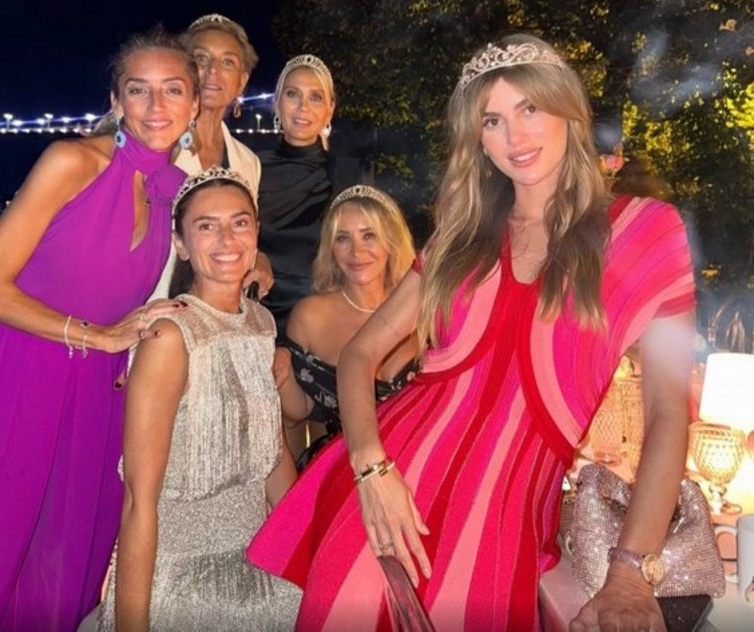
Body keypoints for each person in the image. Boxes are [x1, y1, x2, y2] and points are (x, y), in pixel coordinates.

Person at [247, 36, 697, 632]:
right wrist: (372, 471)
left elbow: (668, 411)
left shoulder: (645, 231)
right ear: (478, 139)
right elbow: (359, 354)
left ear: (567, 108)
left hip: (501, 526)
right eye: (493, 120)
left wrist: (630, 572)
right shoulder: (460, 239)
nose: (515, 135)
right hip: (384, 505)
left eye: (529, 108)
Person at [0, 28, 199, 631]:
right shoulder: (71, 161)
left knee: (61, 562)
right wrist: (97, 335)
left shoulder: (175, 191)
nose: (156, 106)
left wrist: (255, 265)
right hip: (18, 374)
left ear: (195, 105)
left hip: (100, 391)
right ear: (116, 101)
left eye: (173, 90)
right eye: (139, 90)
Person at [99, 166, 300, 632]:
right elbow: (139, 500)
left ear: (256, 233)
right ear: (181, 245)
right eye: (206, 226)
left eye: (239, 222)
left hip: (259, 565)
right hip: (181, 580)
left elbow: (271, 456)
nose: (227, 239)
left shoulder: (261, 323)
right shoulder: (170, 336)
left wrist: (308, 545)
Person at [273, 184, 418, 467]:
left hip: (421, 464)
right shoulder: (311, 316)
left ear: (391, 241)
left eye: (369, 235)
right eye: (343, 238)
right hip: (341, 468)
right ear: (330, 248)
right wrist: (282, 371)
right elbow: (300, 411)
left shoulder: (422, 308)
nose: (356, 251)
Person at [150, 12, 270, 299]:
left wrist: (259, 258)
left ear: (242, 81)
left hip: (218, 311)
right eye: (201, 59)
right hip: (151, 308)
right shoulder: (153, 147)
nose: (213, 70)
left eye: (227, 62)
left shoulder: (248, 162)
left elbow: (233, 234)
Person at [258, 53, 368, 337]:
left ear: (330, 110)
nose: (303, 107)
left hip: (327, 313)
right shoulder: (250, 166)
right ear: (277, 102)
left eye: (316, 97)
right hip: (258, 308)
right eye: (293, 94)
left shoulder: (350, 174)